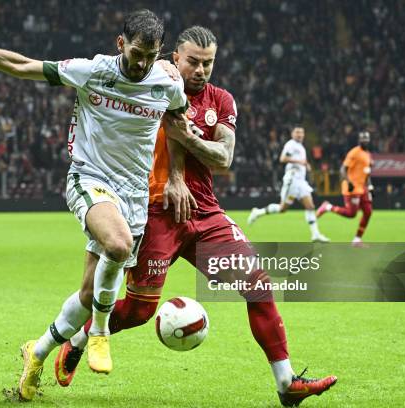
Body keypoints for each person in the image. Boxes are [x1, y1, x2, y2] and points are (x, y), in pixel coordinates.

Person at [57, 26, 336, 407]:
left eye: (208, 63)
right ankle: (77, 340)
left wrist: (187, 138)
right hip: (154, 212)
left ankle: (286, 383)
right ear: (174, 58)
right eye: (193, 62)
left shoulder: (220, 100)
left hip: (205, 213)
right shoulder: (149, 87)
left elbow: (223, 158)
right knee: (139, 310)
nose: (201, 70)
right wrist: (171, 177)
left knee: (258, 285)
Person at [0, 9, 187, 401]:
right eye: (136, 52)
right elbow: (21, 65)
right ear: (121, 44)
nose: (141, 63)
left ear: (160, 53)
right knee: (117, 246)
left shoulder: (167, 84)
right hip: (90, 179)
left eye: (151, 56)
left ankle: (35, 353)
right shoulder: (92, 71)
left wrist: (178, 173)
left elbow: (180, 121)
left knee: (88, 295)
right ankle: (99, 334)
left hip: (134, 196)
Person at [247, 126, 329, 242]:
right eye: (297, 132)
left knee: (310, 206)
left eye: (301, 132)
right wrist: (300, 162)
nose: (299, 134)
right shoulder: (291, 144)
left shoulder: (300, 147)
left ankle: (315, 234)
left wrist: (305, 164)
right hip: (292, 180)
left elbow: (300, 161)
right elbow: (283, 158)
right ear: (292, 134)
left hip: (301, 182)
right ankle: (257, 212)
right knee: (282, 209)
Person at [317, 131, 373, 245]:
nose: (365, 141)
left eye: (367, 139)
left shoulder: (368, 154)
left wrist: (370, 185)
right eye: (363, 139)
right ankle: (327, 207)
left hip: (363, 189)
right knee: (351, 214)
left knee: (368, 212)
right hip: (352, 188)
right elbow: (343, 169)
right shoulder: (354, 153)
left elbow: (367, 172)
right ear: (359, 140)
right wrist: (349, 182)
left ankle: (357, 240)